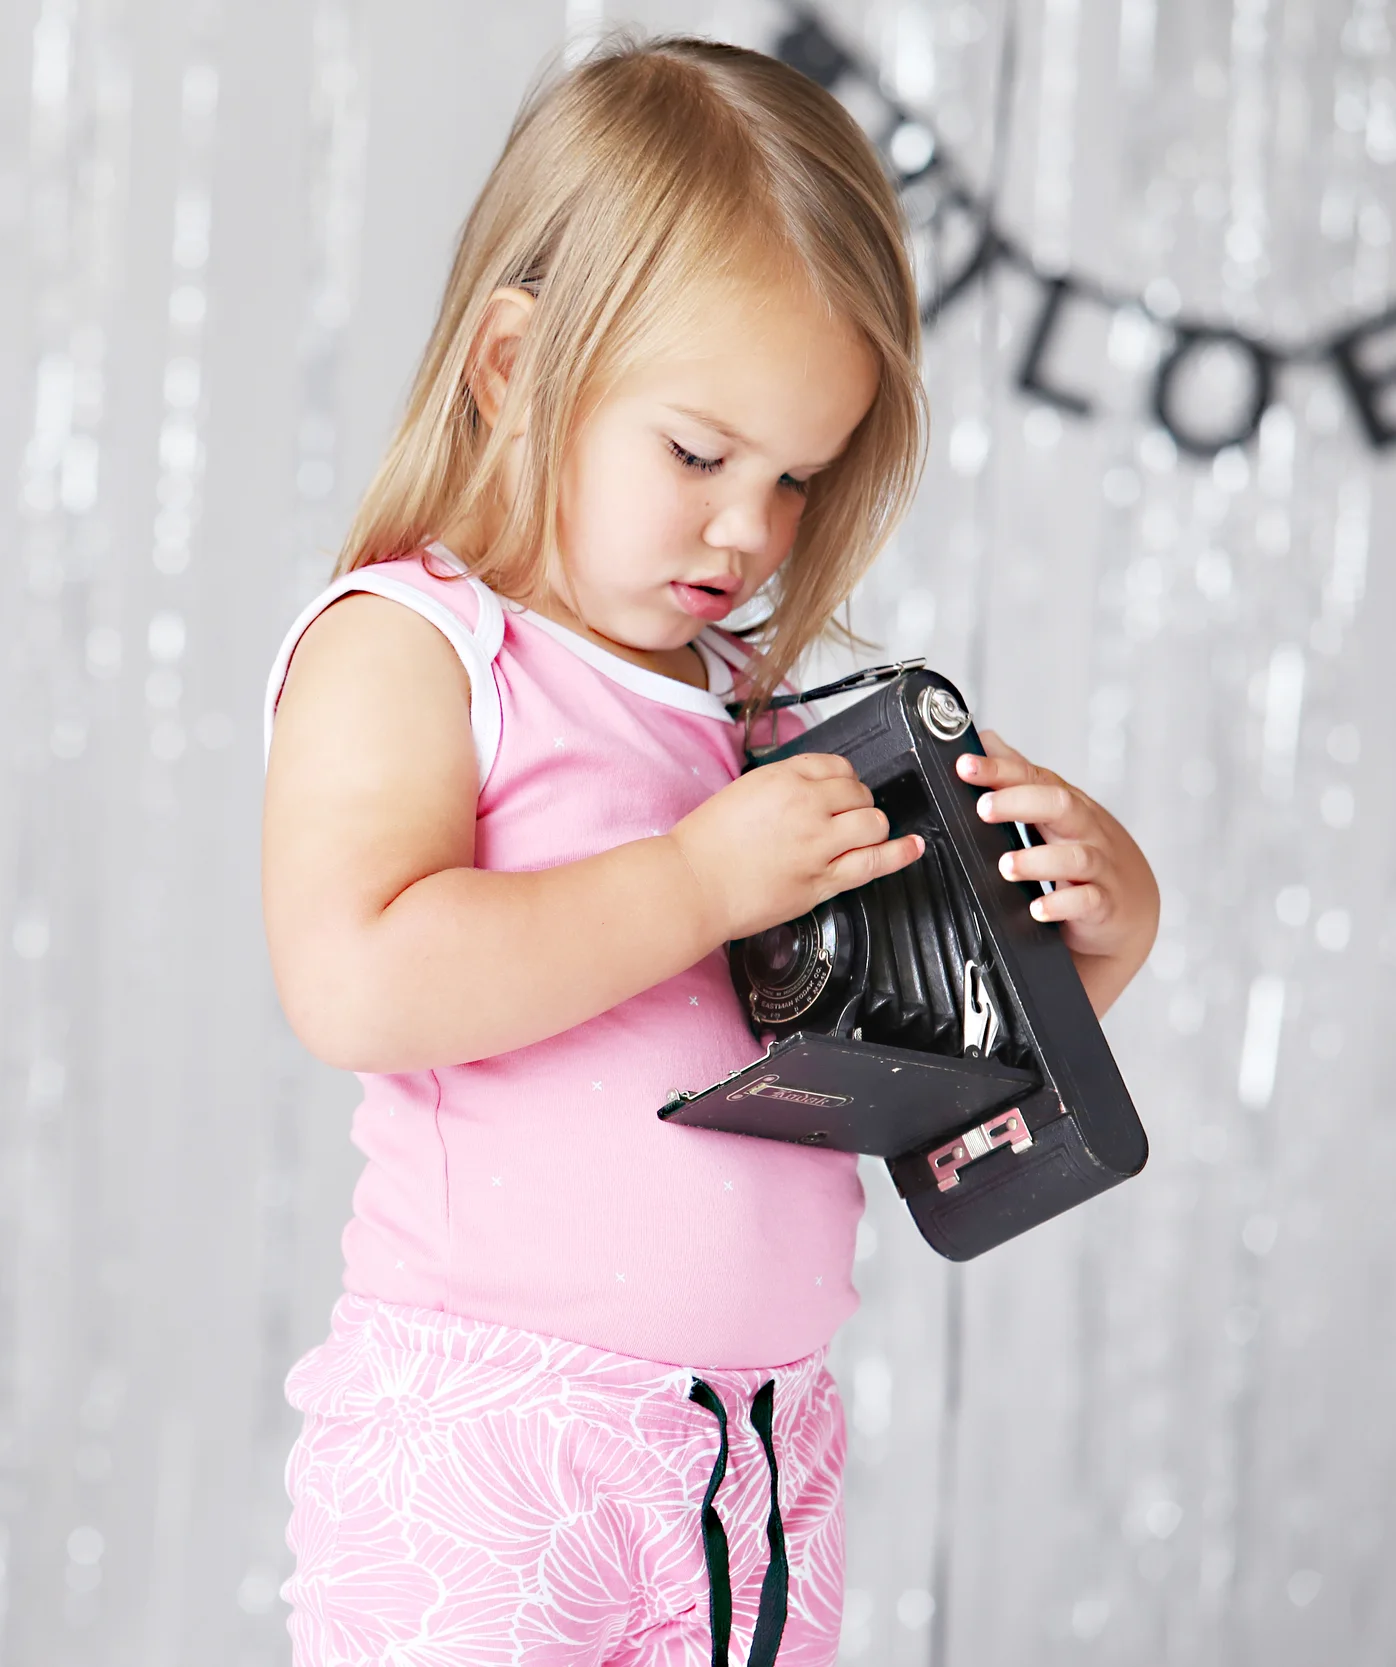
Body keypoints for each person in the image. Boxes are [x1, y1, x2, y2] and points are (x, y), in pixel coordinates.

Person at [259, 34, 1158, 1667]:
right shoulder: (419, 647)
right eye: (697, 454)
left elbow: (913, 1074)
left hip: (754, 1446)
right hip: (491, 1440)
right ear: (515, 365)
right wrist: (694, 883)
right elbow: (357, 979)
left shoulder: (762, 716)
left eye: (797, 478)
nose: (748, 529)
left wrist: (1087, 936)